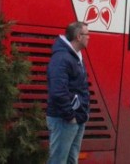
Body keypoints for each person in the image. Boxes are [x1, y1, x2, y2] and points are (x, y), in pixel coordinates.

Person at [46, 21, 91, 164]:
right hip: (64, 119)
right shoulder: (62, 58)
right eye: (87, 34)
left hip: (76, 118)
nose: (89, 37)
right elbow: (58, 92)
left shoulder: (76, 56)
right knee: (58, 160)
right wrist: (70, 116)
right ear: (79, 36)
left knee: (72, 160)